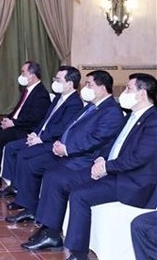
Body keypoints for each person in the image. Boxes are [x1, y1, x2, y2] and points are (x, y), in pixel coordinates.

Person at [20, 74, 157, 260]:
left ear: (142, 94)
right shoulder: (132, 116)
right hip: (114, 170)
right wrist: (101, 159)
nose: (123, 92)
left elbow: (138, 158)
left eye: (128, 89)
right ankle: (51, 231)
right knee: (58, 178)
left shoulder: (152, 120)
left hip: (133, 180)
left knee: (80, 195)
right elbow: (114, 144)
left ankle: (78, 253)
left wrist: (107, 167)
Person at [8, 70, 124, 225]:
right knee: (31, 164)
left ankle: (48, 226)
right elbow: (71, 126)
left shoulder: (111, 111)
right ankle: (30, 208)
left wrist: (67, 148)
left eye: (89, 84)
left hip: (82, 157)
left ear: (102, 88)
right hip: (66, 150)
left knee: (51, 174)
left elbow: (95, 140)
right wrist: (60, 142)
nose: (85, 88)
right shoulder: (91, 106)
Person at [0, 66, 83, 199]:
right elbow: (45, 120)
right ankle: (13, 185)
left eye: (58, 80)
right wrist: (35, 134)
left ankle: (22, 192)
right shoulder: (58, 97)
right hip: (41, 136)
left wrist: (41, 139)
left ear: (70, 84)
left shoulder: (74, 103)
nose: (55, 82)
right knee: (11, 147)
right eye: (55, 79)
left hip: (52, 141)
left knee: (23, 154)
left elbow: (62, 127)